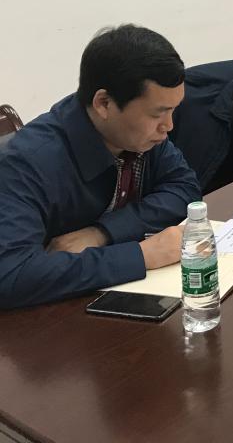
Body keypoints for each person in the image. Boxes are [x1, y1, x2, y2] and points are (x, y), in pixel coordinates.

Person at [0, 25, 200, 309]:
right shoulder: (28, 163)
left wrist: (103, 233)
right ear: (104, 103)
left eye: (173, 110)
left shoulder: (141, 136)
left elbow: (185, 189)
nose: (168, 126)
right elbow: (11, 274)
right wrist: (141, 255)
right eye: (158, 113)